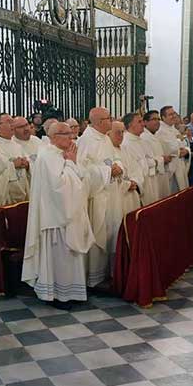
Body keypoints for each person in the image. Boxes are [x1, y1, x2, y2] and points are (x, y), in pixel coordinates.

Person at [22, 122, 94, 310]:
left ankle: (72, 292)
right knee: (60, 258)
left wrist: (72, 162)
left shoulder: (62, 154)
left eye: (71, 133)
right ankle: (58, 295)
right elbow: (60, 187)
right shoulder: (47, 156)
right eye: (66, 134)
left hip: (70, 215)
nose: (71, 137)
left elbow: (81, 179)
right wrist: (71, 162)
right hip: (56, 218)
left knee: (69, 258)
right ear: (54, 137)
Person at [77, 107, 122, 287]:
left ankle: (106, 272)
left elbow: (114, 158)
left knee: (111, 230)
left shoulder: (104, 138)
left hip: (111, 193)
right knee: (98, 233)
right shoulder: (86, 141)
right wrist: (108, 171)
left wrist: (118, 166)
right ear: (98, 122)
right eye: (108, 118)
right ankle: (93, 277)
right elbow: (82, 172)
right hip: (96, 198)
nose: (111, 121)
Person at [106, 120, 142, 253]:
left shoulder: (126, 149)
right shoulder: (108, 150)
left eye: (122, 132)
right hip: (118, 198)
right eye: (117, 132)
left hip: (131, 196)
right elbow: (111, 176)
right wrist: (127, 184)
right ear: (108, 133)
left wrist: (136, 181)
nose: (121, 135)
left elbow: (137, 169)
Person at [0, 113, 30, 204]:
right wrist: (13, 165)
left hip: (22, 191)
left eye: (12, 122)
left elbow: (28, 164)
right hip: (6, 195)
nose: (12, 124)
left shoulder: (17, 145)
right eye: (9, 122)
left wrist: (27, 165)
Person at [122, 112, 158, 205]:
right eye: (139, 121)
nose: (143, 124)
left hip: (150, 184)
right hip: (138, 189)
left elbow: (150, 160)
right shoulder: (125, 144)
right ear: (130, 125)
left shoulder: (142, 141)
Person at [157, 106, 190, 193]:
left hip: (180, 166)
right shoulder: (160, 131)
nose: (174, 116)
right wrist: (180, 141)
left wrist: (186, 151)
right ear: (163, 117)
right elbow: (169, 149)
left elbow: (185, 145)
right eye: (170, 114)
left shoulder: (174, 129)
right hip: (170, 170)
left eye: (174, 113)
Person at [142, 110, 171, 199]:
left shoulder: (155, 136)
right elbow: (145, 160)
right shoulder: (143, 137)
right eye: (154, 119)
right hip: (152, 178)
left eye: (158, 119)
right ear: (145, 122)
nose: (157, 121)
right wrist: (162, 160)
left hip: (160, 176)